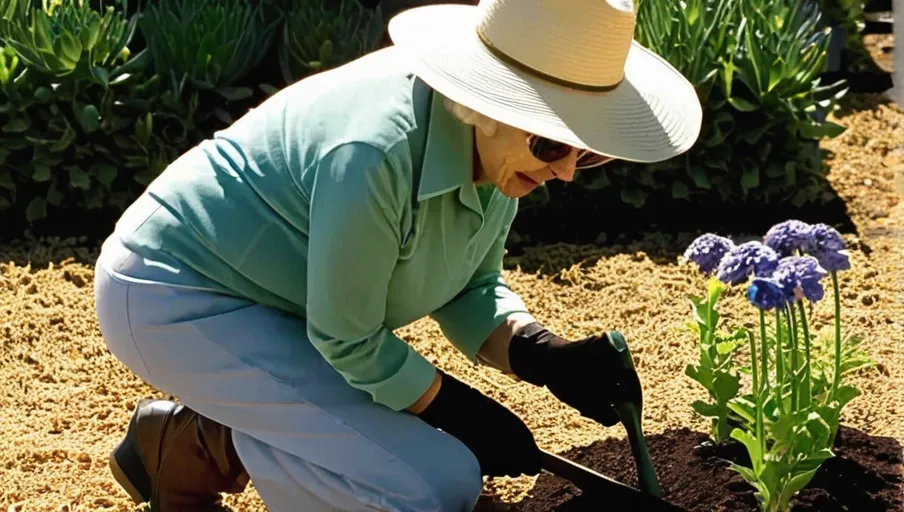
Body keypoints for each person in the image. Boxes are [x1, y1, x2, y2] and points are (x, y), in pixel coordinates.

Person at [92, 0, 702, 510]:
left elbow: (467, 285)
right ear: (489, 106)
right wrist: (459, 410)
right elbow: (349, 340)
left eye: (586, 150)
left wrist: (541, 352)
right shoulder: (374, 152)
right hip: (175, 295)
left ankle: (202, 438)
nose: (568, 171)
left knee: (425, 475)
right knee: (432, 486)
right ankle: (208, 437)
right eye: (552, 143)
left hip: (283, 309)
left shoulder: (500, 156)